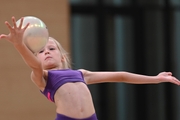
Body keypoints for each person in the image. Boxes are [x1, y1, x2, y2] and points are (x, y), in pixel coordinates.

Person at [0, 16, 180, 120]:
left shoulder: (81, 74)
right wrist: (19, 45)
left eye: (51, 48)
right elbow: (32, 64)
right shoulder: (43, 77)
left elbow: (121, 76)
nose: (46, 52)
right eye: (40, 51)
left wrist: (156, 78)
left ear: (62, 56)